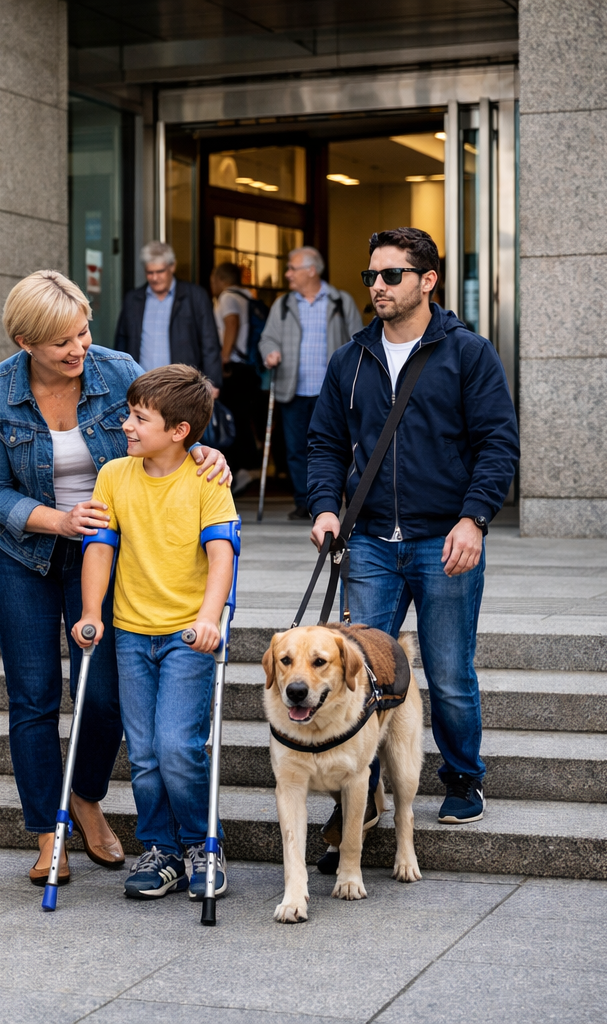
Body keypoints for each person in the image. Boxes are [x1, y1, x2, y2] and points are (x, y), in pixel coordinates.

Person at [0, 270, 232, 887]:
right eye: (62, 341)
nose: (79, 348)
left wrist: (202, 452)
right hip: (23, 554)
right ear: (24, 340)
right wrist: (57, 520)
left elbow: (168, 424)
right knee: (33, 698)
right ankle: (48, 833)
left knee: (108, 693)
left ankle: (85, 797)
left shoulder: (115, 371)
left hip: (110, 553)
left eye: (83, 331)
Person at [308, 227, 518, 827]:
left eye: (391, 275)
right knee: (362, 671)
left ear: (427, 280)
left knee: (450, 672)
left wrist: (474, 519)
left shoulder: (466, 353)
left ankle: (462, 778)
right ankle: (362, 793)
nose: (378, 286)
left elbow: (497, 445)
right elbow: (324, 443)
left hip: (443, 539)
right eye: (371, 275)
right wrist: (326, 506)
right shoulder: (351, 358)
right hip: (370, 540)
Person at [72, 364, 239, 902]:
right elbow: (99, 548)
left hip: (189, 637)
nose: (126, 425)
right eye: (129, 413)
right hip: (130, 633)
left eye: (140, 418)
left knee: (176, 745)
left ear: (179, 431)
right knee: (142, 751)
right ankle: (160, 848)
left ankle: (200, 844)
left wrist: (210, 618)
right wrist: (91, 611)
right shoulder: (114, 476)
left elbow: (221, 558)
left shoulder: (207, 480)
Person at [258, 247, 362, 519]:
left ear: (311, 271)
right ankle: (304, 501)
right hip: (293, 389)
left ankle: (336, 499)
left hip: (332, 392)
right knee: (295, 449)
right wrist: (269, 352)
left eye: (292, 268)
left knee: (337, 447)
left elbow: (358, 340)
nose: (287, 274)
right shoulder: (283, 305)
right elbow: (267, 338)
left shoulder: (341, 301)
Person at [113, 241, 222, 392]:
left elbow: (209, 342)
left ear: (172, 266)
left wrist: (212, 382)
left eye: (160, 271)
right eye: (150, 273)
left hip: (183, 386)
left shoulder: (195, 297)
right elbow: (122, 342)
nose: (155, 278)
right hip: (142, 385)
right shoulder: (133, 300)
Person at [210, 262, 263, 492]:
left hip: (234, 366)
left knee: (231, 418)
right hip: (248, 367)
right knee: (243, 416)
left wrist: (223, 357)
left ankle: (240, 468)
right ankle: (247, 467)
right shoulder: (247, 297)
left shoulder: (228, 298)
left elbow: (231, 323)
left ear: (220, 279)